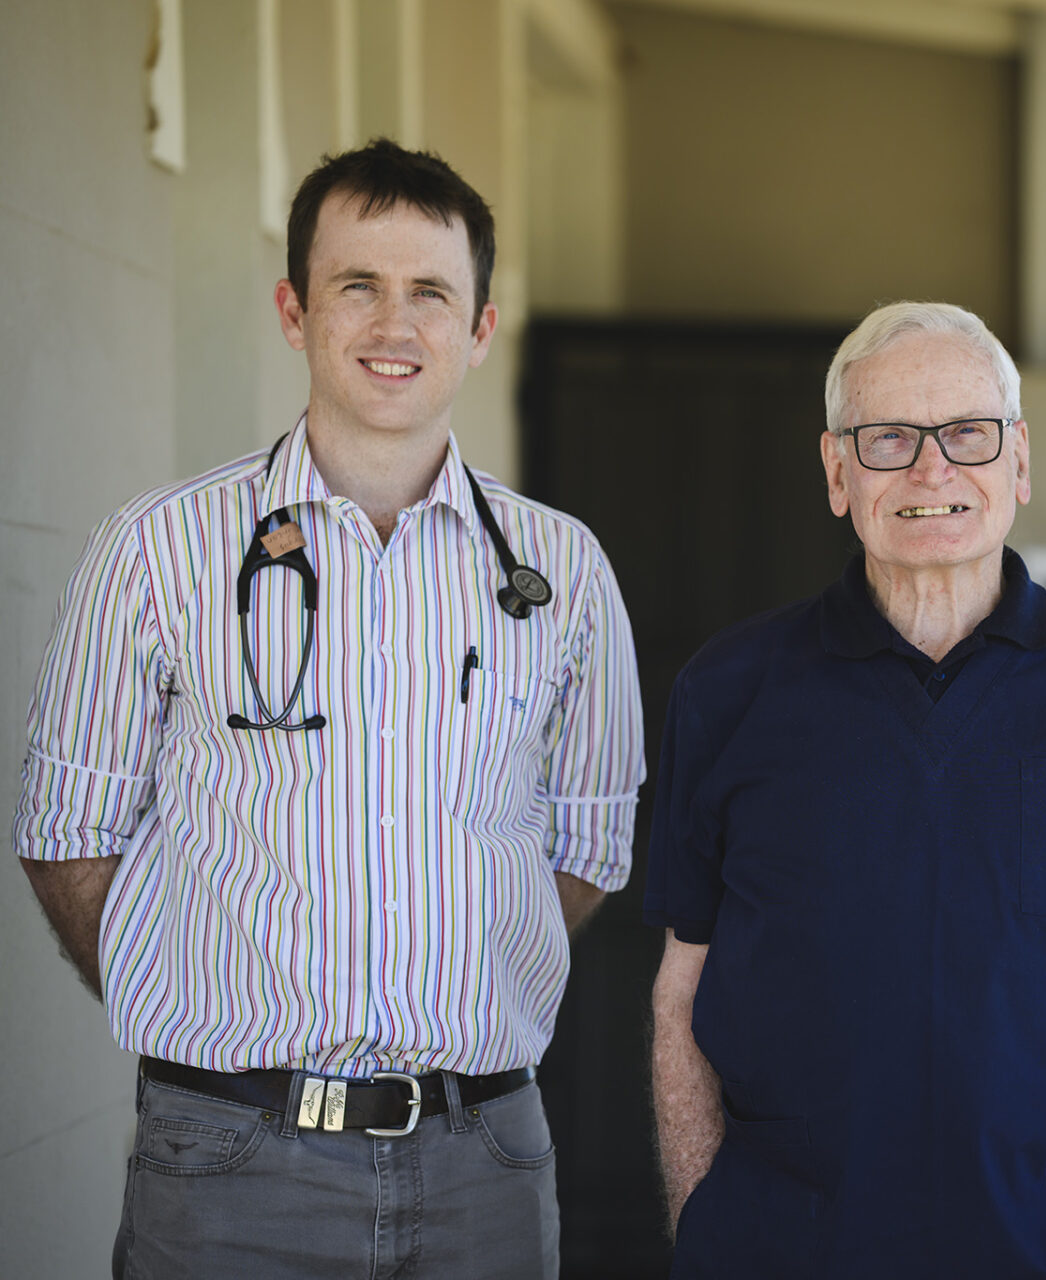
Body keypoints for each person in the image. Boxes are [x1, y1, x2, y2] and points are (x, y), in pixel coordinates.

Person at [13, 139, 643, 1279]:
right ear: (294, 310)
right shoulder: (159, 551)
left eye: (431, 292)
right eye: (358, 284)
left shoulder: (562, 570)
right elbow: (69, 832)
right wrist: (202, 992)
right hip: (229, 1162)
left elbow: (591, 842)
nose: (394, 324)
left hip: (485, 1164)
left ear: (480, 328)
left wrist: (466, 971)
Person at [644, 300, 1046, 1278]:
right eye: (887, 439)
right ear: (837, 472)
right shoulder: (728, 691)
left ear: (1020, 462)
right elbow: (679, 995)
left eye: (967, 433)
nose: (931, 468)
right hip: (791, 1250)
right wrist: (706, 1226)